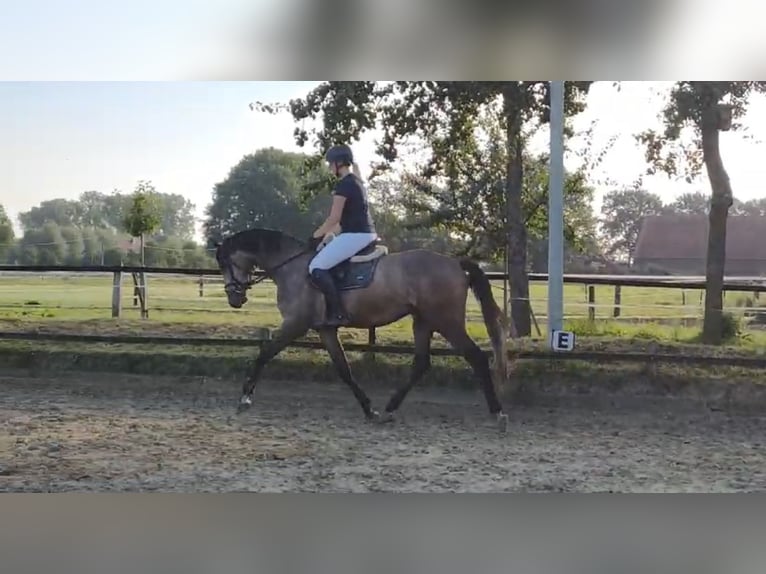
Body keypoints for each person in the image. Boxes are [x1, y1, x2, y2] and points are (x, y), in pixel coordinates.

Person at [308, 144, 378, 327]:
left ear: (339, 163)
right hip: (362, 233)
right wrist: (325, 238)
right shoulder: (356, 182)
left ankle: (338, 313)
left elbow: (333, 219)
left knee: (316, 266)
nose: (329, 167)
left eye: (330, 163)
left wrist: (314, 235)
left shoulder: (344, 185)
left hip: (356, 235)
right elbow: (340, 224)